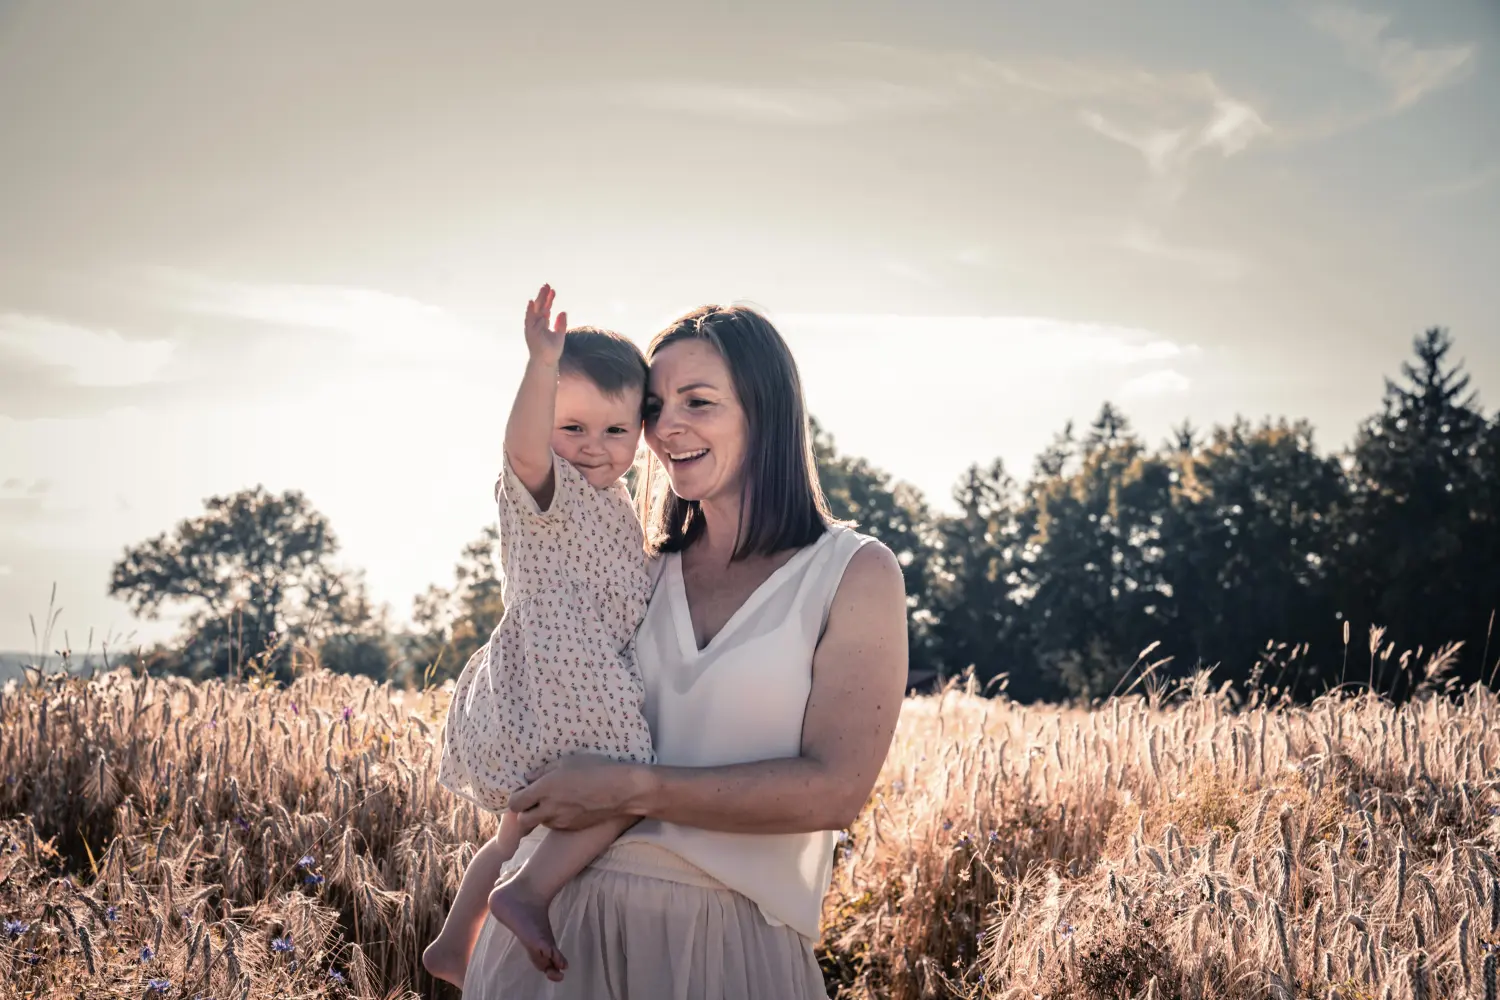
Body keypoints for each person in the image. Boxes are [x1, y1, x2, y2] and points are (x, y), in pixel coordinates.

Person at [461, 302, 910, 999]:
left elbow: (836, 789)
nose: (666, 427)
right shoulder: (633, 571)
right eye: (655, 405)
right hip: (552, 943)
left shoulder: (852, 572)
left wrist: (633, 788)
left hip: (729, 950)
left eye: (698, 402)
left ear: (766, 413)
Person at [424, 284, 657, 987]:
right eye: (573, 427)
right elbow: (522, 446)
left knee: (520, 828)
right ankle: (526, 894)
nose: (595, 447)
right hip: (563, 683)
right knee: (626, 778)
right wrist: (540, 365)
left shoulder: (617, 503)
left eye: (617, 432)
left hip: (555, 684)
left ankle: (453, 940)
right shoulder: (547, 491)